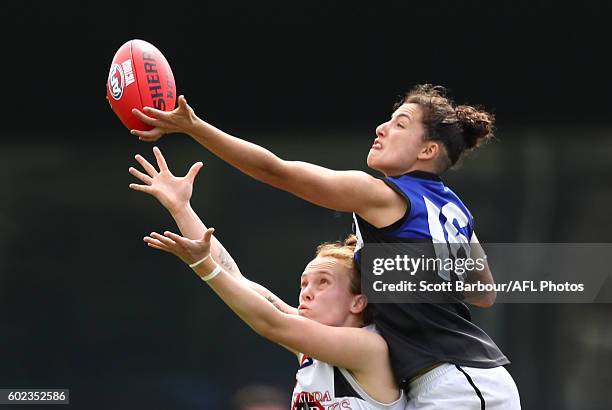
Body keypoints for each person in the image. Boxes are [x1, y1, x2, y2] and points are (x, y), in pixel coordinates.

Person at [130, 85, 521, 409]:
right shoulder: (452, 210)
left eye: (400, 123)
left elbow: (276, 171)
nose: (382, 128)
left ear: (427, 151)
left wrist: (195, 127)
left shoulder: (380, 195)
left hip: (457, 384)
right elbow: (482, 291)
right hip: (462, 378)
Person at [129, 148, 407, 410]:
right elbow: (234, 277)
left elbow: (270, 323)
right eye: (304, 284)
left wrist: (203, 266)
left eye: (323, 282)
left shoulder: (369, 348)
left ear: (359, 302)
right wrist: (181, 208)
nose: (306, 293)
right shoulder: (311, 351)